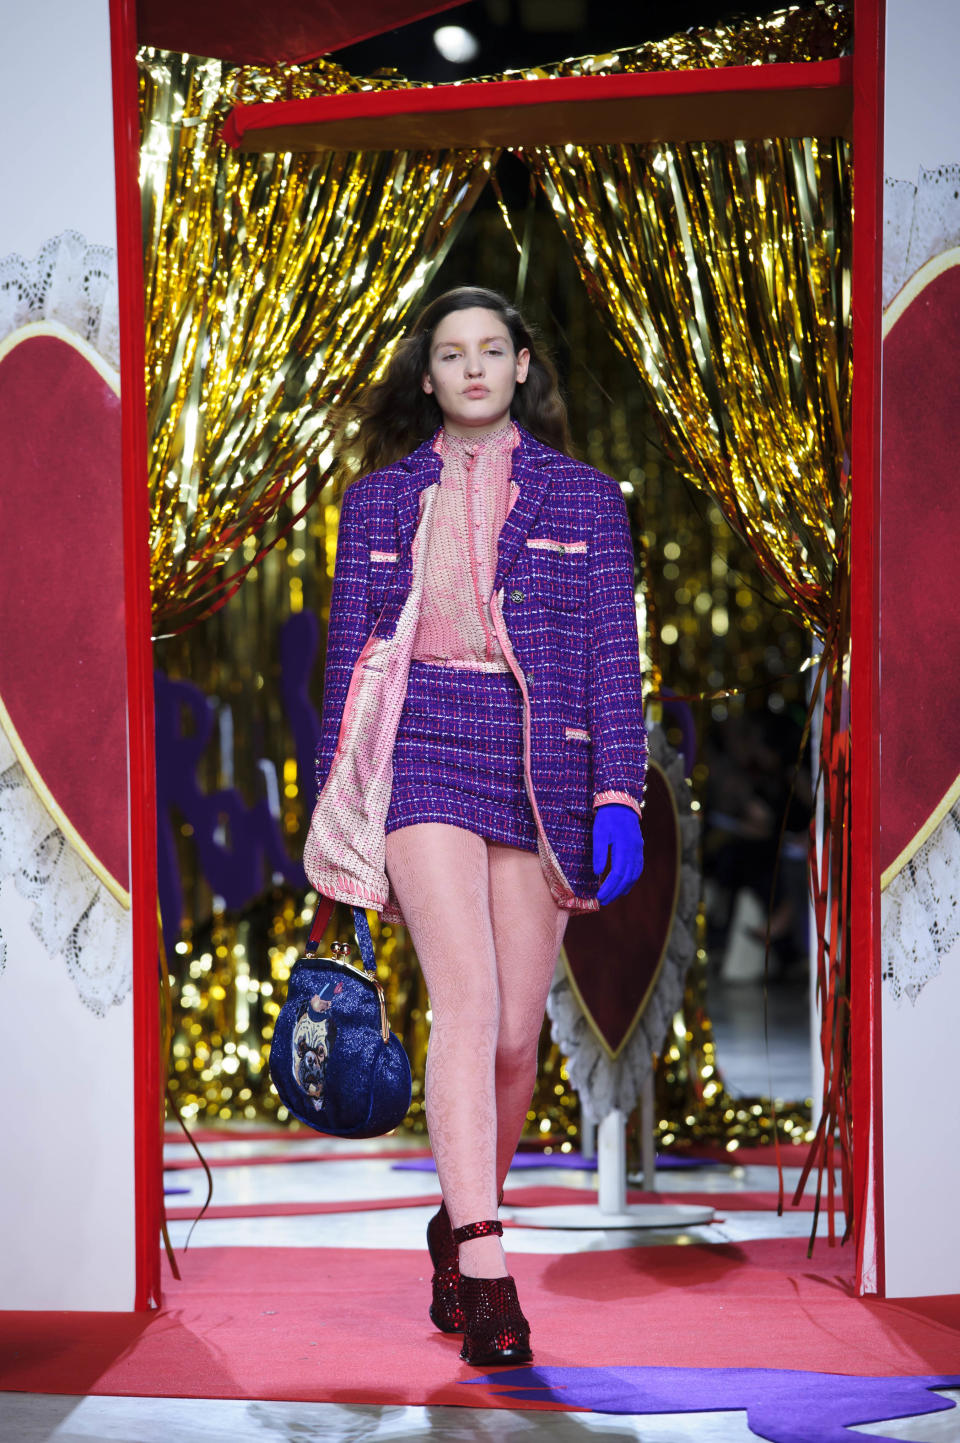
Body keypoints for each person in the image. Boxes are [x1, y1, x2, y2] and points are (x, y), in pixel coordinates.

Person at [304, 286, 647, 1366]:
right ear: (429, 378)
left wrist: (620, 794)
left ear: (523, 365)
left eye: (492, 349)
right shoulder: (376, 500)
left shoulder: (585, 500)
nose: (474, 368)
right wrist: (334, 829)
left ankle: (458, 1220)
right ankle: (490, 1269)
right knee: (466, 1003)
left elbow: (607, 664)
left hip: (542, 757)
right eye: (453, 354)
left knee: (513, 1035)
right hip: (421, 742)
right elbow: (346, 669)